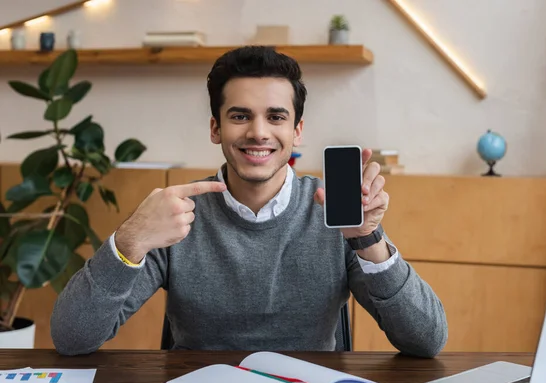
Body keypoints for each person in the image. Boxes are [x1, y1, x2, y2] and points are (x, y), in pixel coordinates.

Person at [50, 46, 448, 357]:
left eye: (276, 117)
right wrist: (131, 239)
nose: (258, 133)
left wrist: (368, 239)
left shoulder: (335, 212)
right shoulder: (177, 214)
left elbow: (427, 340)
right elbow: (72, 338)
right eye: (240, 116)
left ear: (297, 130)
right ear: (215, 128)